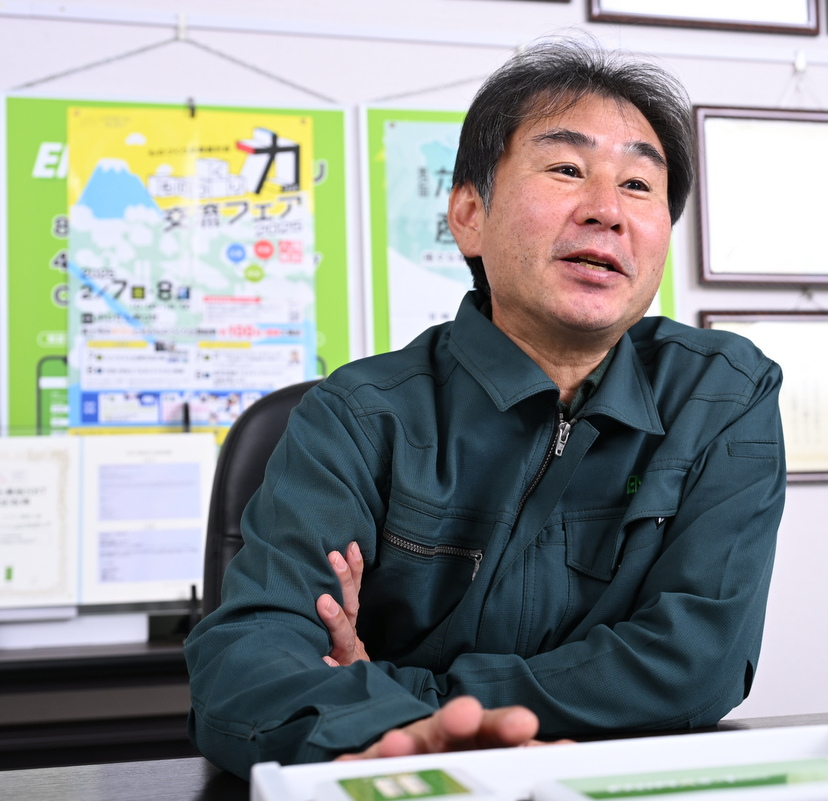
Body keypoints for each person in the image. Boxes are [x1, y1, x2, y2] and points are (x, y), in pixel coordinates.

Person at [185, 38, 786, 780]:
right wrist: (416, 739)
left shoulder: (722, 394)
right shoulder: (357, 416)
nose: (607, 211)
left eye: (638, 185)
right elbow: (243, 668)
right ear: (469, 214)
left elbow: (697, 663)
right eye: (566, 169)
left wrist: (403, 699)